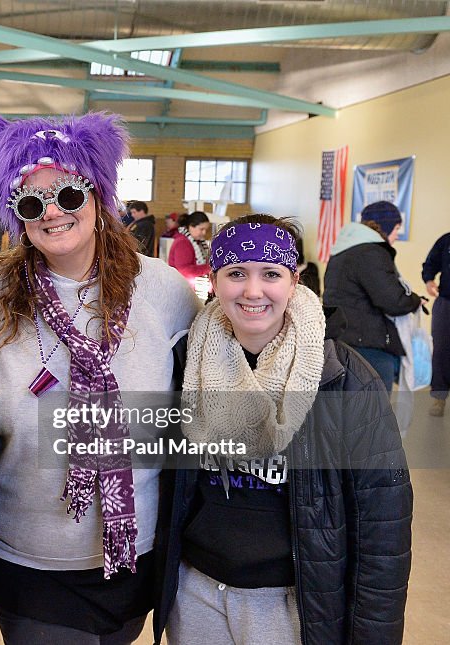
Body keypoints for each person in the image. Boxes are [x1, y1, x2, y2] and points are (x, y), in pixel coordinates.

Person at [0, 113, 199, 644]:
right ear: (15, 216)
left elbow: (224, 362)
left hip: (131, 554)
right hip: (31, 559)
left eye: (69, 195)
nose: (52, 212)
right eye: (31, 202)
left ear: (97, 197)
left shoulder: (162, 291)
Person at [157, 214, 412, 645]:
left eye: (270, 273)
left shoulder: (343, 377)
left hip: (293, 603)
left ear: (293, 281)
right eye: (236, 273)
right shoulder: (185, 363)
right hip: (197, 591)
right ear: (214, 280)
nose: (252, 290)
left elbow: (383, 528)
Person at [323, 201, 422, 392]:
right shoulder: (370, 252)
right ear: (384, 227)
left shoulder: (344, 249)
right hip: (367, 347)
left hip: (342, 339)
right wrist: (415, 300)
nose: (396, 236)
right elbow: (393, 301)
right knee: (372, 414)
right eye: (396, 229)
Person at [423, 230, 450, 416]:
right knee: (441, 350)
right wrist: (429, 280)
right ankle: (439, 398)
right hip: (446, 303)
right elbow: (430, 264)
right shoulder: (446, 241)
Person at [167, 211, 212, 296]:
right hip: (182, 290)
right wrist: (209, 268)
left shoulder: (197, 242)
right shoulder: (182, 242)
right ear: (191, 226)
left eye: (206, 230)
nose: (204, 233)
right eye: (201, 229)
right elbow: (185, 270)